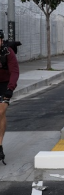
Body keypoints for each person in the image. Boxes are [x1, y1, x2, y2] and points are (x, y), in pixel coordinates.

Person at [0, 29, 19, 164]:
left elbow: (14, 71)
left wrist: (10, 89)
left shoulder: (8, 52)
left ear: (1, 40)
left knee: (1, 111)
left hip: (5, 85)